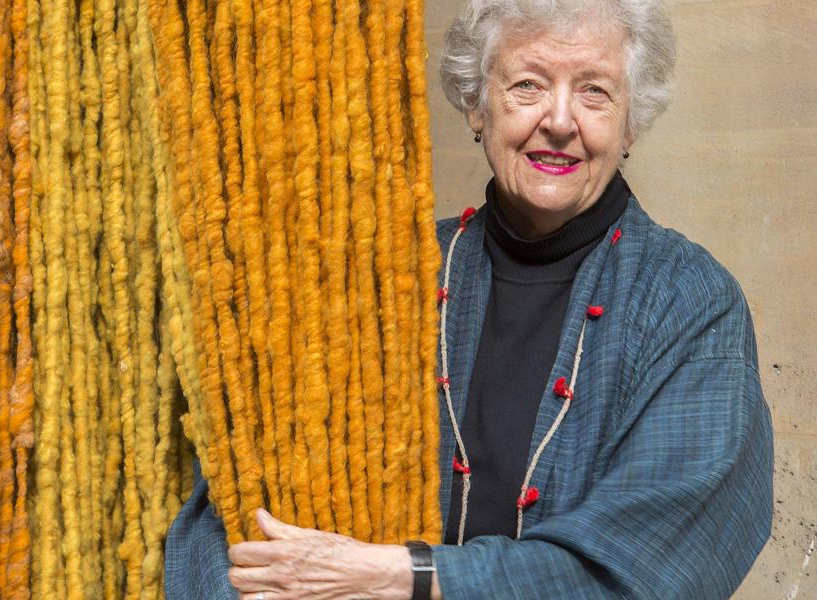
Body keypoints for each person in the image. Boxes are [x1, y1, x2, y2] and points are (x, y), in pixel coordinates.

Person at [164, 0, 774, 598]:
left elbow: (651, 568)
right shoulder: (380, 282)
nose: (560, 121)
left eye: (594, 92)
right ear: (477, 105)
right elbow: (230, 511)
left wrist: (405, 577)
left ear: (631, 122)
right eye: (529, 85)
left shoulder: (689, 302)